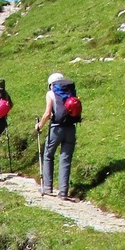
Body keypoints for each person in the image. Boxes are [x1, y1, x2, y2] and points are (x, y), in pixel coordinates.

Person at [35, 72, 76, 200]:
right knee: (65, 159)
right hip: (71, 128)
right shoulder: (71, 92)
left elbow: (47, 113)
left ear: (51, 84)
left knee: (48, 155)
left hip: (56, 129)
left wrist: (39, 126)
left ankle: (47, 187)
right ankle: (63, 192)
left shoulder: (51, 94)